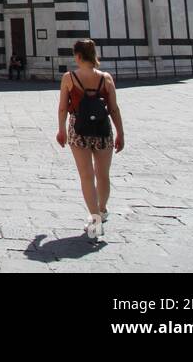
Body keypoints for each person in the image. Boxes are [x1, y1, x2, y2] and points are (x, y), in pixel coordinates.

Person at [56, 38, 124, 242]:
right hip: (103, 130)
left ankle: (94, 220)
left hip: (79, 130)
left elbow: (62, 107)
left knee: (87, 176)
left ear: (77, 56)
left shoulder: (69, 78)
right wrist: (121, 132)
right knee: (103, 174)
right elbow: (113, 108)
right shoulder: (106, 78)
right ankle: (101, 211)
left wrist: (61, 130)